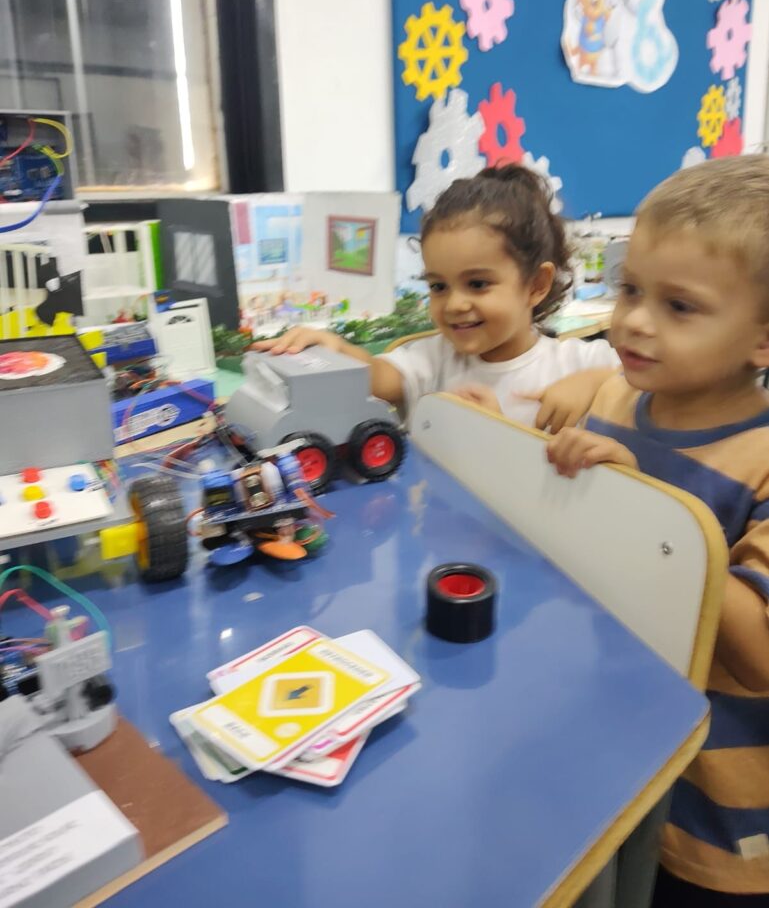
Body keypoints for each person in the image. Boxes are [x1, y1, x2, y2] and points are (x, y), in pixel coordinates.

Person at [547, 155, 769, 905]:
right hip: (609, 753)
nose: (634, 320)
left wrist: (646, 508)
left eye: (679, 305)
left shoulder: (760, 461)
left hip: (714, 806)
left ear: (762, 341)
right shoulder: (610, 400)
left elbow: (759, 656)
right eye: (630, 289)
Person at [256, 164, 618, 431]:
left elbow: (647, 383)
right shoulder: (432, 360)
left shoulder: (578, 363)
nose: (455, 304)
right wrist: (335, 348)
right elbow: (375, 376)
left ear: (536, 285)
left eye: (478, 284)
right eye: (438, 286)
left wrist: (597, 382)